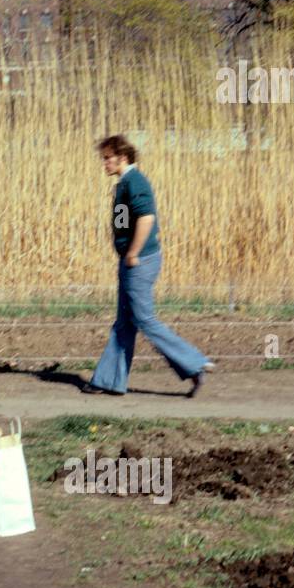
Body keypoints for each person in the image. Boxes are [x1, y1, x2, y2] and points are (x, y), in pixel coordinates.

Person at [83, 135, 215, 397]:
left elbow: (146, 218)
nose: (104, 163)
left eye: (107, 158)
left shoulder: (135, 182)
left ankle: (195, 363)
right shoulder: (123, 184)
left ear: (123, 157)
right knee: (124, 323)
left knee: (144, 319)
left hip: (139, 261)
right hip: (129, 259)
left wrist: (132, 252)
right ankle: (107, 381)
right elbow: (125, 221)